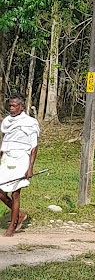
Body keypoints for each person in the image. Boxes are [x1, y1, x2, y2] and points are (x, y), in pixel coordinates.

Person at [0, 92, 40, 236]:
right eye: (10, 105)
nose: (11, 108)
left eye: (14, 106)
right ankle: (20, 214)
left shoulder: (30, 123)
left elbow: (34, 147)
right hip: (7, 158)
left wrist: (30, 168)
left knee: (15, 193)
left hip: (21, 159)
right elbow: (4, 142)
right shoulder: (7, 122)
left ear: (21, 107)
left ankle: (12, 226)